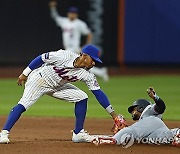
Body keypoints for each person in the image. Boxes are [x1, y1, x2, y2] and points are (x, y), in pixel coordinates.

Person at [0, 45, 125, 144]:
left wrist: (114, 116)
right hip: (39, 80)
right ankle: (4, 133)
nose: (94, 63)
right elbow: (41, 58)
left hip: (58, 86)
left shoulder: (87, 75)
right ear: (85, 56)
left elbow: (99, 94)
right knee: (23, 104)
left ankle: (78, 133)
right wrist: (24, 74)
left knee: (82, 97)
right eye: (93, 60)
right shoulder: (64, 55)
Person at [92, 87, 180, 148]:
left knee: (132, 131)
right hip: (155, 130)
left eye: (133, 110)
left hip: (153, 121)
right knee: (160, 139)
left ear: (141, 107)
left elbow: (161, 107)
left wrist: (155, 97)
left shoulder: (149, 111)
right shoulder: (142, 125)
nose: (132, 113)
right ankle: (177, 134)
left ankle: (113, 140)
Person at [49, 0, 109, 81]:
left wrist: (85, 46)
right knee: (81, 65)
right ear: (68, 13)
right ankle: (101, 72)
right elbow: (55, 17)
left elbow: (89, 34)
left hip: (75, 48)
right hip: (68, 48)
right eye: (70, 12)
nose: (72, 14)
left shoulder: (80, 23)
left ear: (76, 14)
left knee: (73, 64)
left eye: (73, 13)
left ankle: (59, 78)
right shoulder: (64, 21)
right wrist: (53, 8)